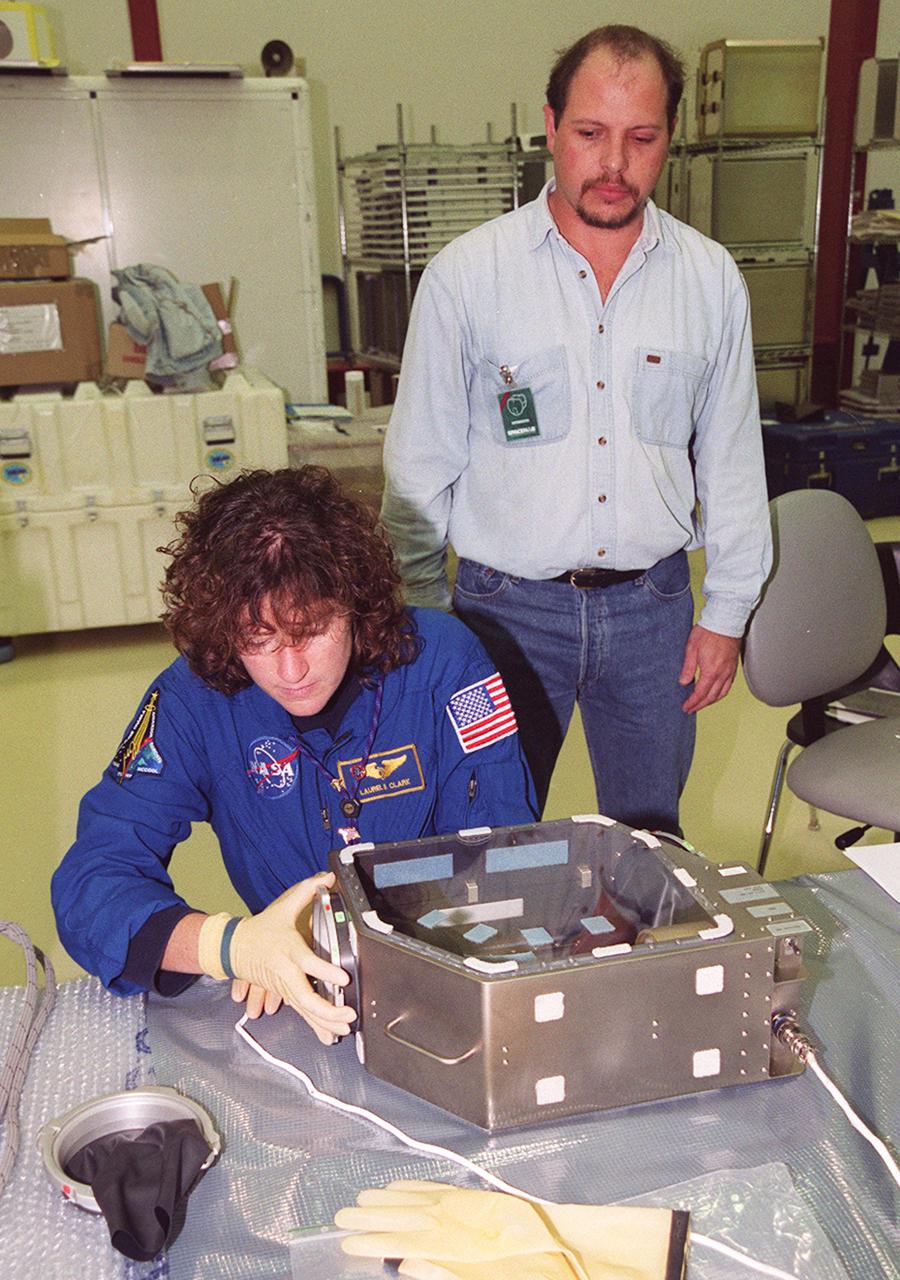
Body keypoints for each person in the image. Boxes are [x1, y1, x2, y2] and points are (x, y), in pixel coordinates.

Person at [380, 24, 772, 833]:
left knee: (649, 843)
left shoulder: (709, 281)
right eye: (591, 134)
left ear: (670, 140)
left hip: (654, 611)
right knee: (479, 837)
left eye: (642, 138)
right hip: (501, 614)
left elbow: (733, 462)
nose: (614, 164)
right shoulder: (468, 277)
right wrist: (426, 623)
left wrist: (726, 614)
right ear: (552, 127)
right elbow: (417, 470)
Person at [52, 467, 536, 1043]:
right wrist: (231, 946)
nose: (291, 671)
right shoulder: (190, 700)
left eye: (310, 631)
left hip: (443, 978)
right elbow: (92, 880)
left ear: (355, 602)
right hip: (291, 1000)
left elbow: (505, 846)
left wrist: (366, 939)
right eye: (258, 641)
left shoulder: (447, 663)